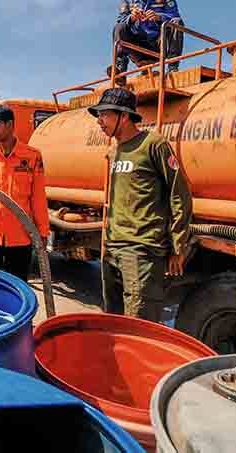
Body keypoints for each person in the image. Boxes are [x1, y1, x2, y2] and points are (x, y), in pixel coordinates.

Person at [89, 87, 193, 322]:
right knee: (113, 320)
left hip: (142, 251)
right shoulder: (114, 150)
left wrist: (178, 246)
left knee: (138, 324)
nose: (99, 121)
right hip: (112, 247)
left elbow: (179, 194)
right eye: (99, 115)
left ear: (124, 116)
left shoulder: (153, 144)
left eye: (104, 114)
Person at [0, 105, 49, 282]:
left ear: (10, 125)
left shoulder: (32, 157)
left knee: (17, 288)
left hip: (20, 239)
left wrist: (42, 233)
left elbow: (38, 198)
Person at [112, 0, 184, 79]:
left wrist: (159, 17)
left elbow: (175, 15)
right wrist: (132, 18)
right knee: (119, 27)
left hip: (159, 45)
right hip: (138, 48)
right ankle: (120, 70)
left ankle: (172, 67)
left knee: (176, 22)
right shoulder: (128, 0)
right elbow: (121, 20)